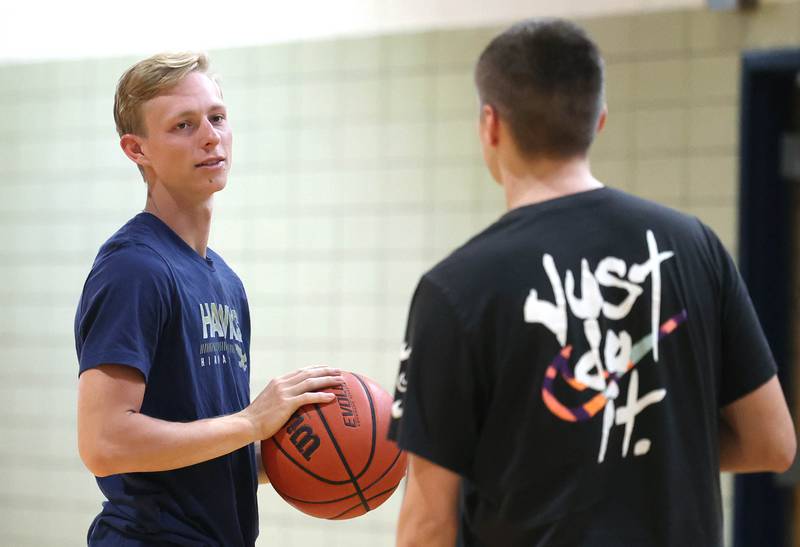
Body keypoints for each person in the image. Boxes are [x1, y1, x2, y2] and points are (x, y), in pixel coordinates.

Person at [388, 19, 796, 547]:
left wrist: (573, 448)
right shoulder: (697, 246)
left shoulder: (454, 290)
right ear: (598, 120)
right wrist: (651, 447)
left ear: (490, 125)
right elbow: (773, 443)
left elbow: (427, 524)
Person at [74, 53, 342, 546]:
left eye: (217, 117)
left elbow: (204, 452)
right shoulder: (134, 268)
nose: (210, 136)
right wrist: (249, 421)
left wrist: (323, 452)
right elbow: (104, 442)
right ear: (137, 149)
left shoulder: (226, 282)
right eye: (183, 125)